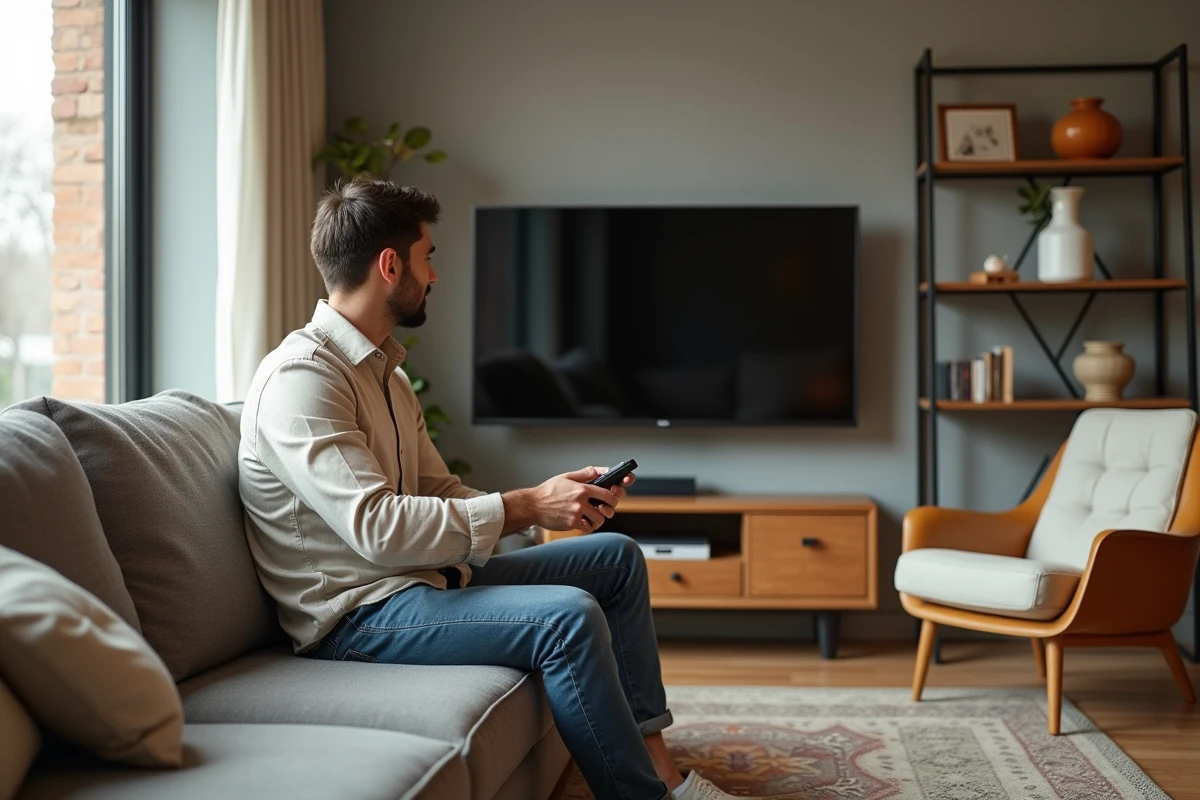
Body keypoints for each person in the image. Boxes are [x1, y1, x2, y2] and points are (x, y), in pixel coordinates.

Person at [237, 177, 767, 800]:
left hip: (421, 580)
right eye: (426, 257)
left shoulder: (388, 374)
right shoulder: (302, 381)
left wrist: (548, 498)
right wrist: (527, 506)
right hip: (357, 615)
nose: (433, 275)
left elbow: (438, 489)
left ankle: (660, 768)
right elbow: (379, 530)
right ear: (389, 265)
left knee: (615, 559)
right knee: (566, 619)